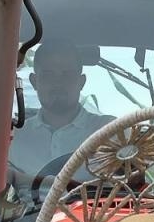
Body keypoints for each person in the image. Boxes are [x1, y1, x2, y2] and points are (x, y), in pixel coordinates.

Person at [10, 43, 113, 179]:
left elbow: (135, 185)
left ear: (81, 82)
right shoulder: (15, 138)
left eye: (67, 75)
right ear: (34, 81)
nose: (58, 83)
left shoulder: (111, 132)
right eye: (48, 75)